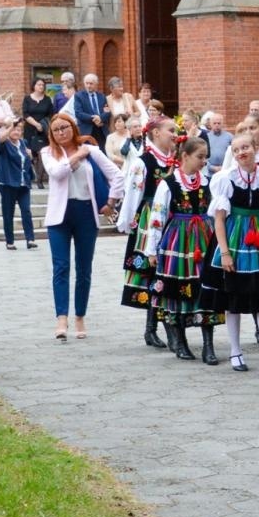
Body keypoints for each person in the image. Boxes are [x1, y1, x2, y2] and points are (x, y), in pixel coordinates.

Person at [200, 134, 259, 375]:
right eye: (236, 150)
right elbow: (219, 219)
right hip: (234, 239)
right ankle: (235, 351)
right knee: (232, 298)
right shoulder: (225, 179)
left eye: (245, 147)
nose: (241, 152)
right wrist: (224, 252)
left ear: (256, 149)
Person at [41, 111, 124, 340]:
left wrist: (110, 201)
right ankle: (61, 318)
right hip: (60, 215)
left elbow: (117, 175)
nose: (61, 132)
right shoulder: (48, 152)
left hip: (86, 213)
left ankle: (79, 316)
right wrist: (77, 155)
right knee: (60, 267)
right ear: (52, 134)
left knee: (84, 269)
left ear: (73, 128)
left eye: (65, 127)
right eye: (56, 130)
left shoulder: (92, 151)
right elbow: (57, 173)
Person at [144, 136, 222, 363]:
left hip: (204, 239)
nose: (204, 161)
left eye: (206, 157)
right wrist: (151, 250)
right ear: (185, 156)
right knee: (177, 289)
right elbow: (157, 218)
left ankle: (209, 344)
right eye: (200, 156)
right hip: (178, 240)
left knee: (206, 287)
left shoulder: (208, 182)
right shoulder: (168, 184)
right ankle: (181, 341)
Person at [115, 117, 179, 346]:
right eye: (170, 130)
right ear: (154, 133)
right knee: (152, 272)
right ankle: (154, 328)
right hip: (150, 219)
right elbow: (133, 194)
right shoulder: (143, 162)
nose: (174, 134)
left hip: (173, 220)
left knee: (166, 272)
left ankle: (155, 328)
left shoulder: (176, 160)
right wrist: (127, 222)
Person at [0, 120, 38, 250]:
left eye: (19, 130)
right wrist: (11, 126)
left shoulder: (24, 144)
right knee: (8, 213)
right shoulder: (4, 144)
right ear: (8, 131)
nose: (16, 132)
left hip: (23, 183)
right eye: (14, 129)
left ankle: (30, 239)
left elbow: (27, 162)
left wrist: (30, 157)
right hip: (8, 182)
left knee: (26, 211)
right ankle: (10, 241)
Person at [23, 79, 54, 187]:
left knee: (42, 153)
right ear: (34, 86)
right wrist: (36, 124)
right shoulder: (27, 99)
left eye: (43, 85)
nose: (41, 86)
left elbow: (51, 114)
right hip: (30, 129)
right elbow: (25, 114)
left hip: (43, 131)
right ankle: (30, 178)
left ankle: (39, 180)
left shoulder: (47, 99)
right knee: (31, 154)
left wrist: (43, 125)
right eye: (39, 84)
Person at [70, 74, 108, 140]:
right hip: (86, 131)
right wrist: (95, 118)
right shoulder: (79, 96)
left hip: (101, 130)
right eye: (86, 83)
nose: (88, 86)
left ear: (96, 84)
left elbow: (107, 112)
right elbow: (78, 113)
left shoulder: (102, 96)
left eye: (91, 84)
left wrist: (100, 118)